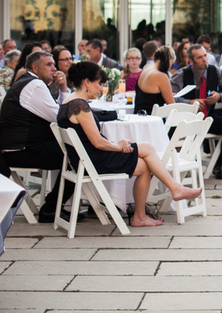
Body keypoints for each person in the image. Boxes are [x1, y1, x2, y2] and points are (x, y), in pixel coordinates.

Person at [59, 61, 201, 226]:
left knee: (145, 162)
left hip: (84, 160)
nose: (100, 89)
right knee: (147, 150)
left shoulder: (69, 102)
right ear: (87, 82)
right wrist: (118, 146)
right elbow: (97, 142)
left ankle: (144, 213)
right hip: (93, 160)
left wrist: (116, 145)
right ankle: (171, 192)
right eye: (99, 84)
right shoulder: (79, 106)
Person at [0, 51, 78, 222]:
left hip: (20, 147)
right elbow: (60, 117)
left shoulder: (31, 82)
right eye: (49, 65)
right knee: (78, 157)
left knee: (73, 154)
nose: (54, 68)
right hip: (18, 151)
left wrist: (63, 88)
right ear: (35, 67)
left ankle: (55, 207)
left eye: (53, 64)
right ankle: (51, 209)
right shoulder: (34, 85)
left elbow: (59, 112)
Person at [171, 44, 222, 180]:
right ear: (191, 61)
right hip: (188, 120)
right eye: (199, 57)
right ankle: (178, 164)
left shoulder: (215, 71)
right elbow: (170, 96)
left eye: (205, 56)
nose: (204, 59)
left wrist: (219, 96)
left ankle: (219, 164)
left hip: (208, 117)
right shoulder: (181, 74)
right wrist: (189, 102)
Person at [134, 46, 175, 115]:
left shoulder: (144, 72)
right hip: (153, 121)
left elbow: (146, 97)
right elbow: (172, 105)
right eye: (172, 63)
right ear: (169, 59)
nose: (170, 67)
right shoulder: (161, 76)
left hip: (137, 118)